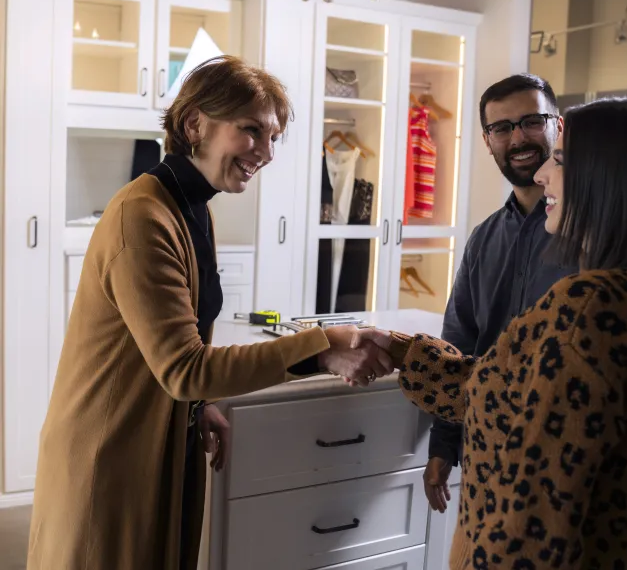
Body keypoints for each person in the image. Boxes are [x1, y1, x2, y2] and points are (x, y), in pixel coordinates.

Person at [27, 56, 392, 570]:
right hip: (107, 461)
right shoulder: (143, 217)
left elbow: (178, 351)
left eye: (273, 138)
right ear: (195, 124)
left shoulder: (192, 207)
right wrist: (322, 347)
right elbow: (184, 368)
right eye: (251, 131)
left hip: (150, 442)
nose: (265, 152)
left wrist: (202, 405)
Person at [359, 95, 627, 569]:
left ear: (611, 182)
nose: (542, 174)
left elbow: (532, 529)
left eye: (560, 160)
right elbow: (504, 394)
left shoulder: (586, 315)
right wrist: (400, 352)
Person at [425, 74, 576, 513]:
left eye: (532, 121)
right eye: (502, 128)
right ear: (487, 140)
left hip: (567, 460)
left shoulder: (595, 236)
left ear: (558, 127)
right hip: (487, 454)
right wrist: (443, 446)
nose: (518, 138)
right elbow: (459, 347)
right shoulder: (483, 239)